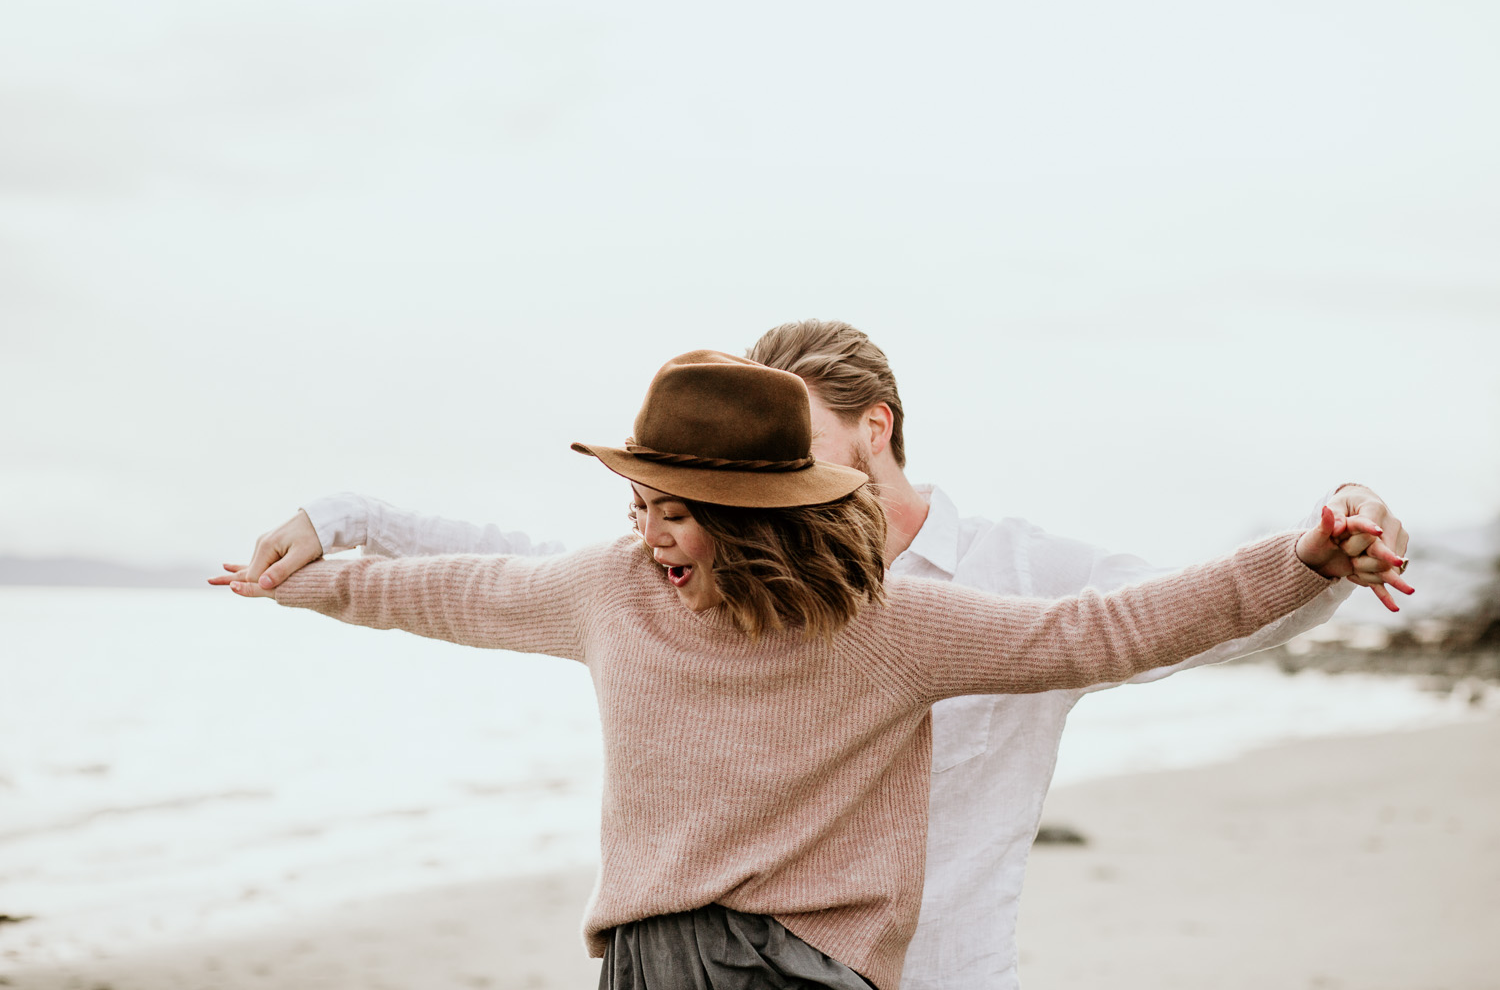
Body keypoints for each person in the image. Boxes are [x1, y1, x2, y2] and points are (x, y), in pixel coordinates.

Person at [217, 322, 1410, 990]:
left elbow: (1116, 626)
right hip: (659, 955)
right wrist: (311, 567)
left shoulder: (895, 623)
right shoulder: (614, 587)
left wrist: (1307, 554)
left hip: (844, 969)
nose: (649, 530)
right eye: (642, 502)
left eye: (675, 507)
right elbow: (470, 585)